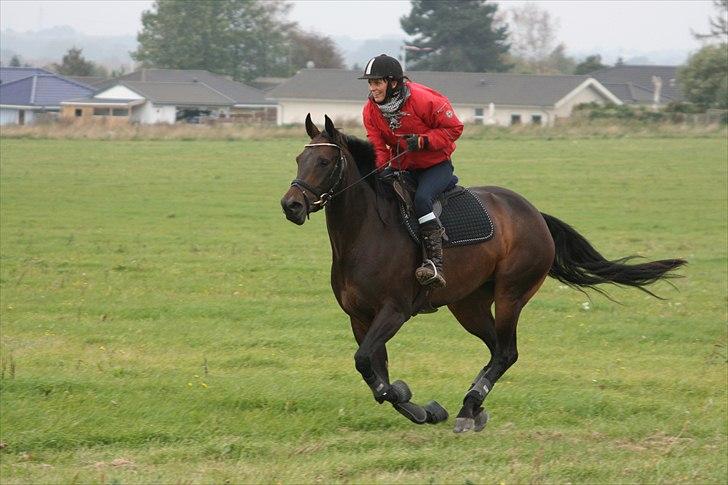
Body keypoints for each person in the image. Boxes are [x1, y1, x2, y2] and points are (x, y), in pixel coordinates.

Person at [360, 54, 463, 289]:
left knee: (422, 200)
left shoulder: (423, 99)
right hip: (402, 167)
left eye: (377, 83)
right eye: (370, 83)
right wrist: (381, 169)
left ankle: (435, 262)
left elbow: (454, 128)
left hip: (435, 167)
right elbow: (377, 146)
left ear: (393, 83)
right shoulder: (370, 110)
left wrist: (424, 141)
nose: (372, 88)